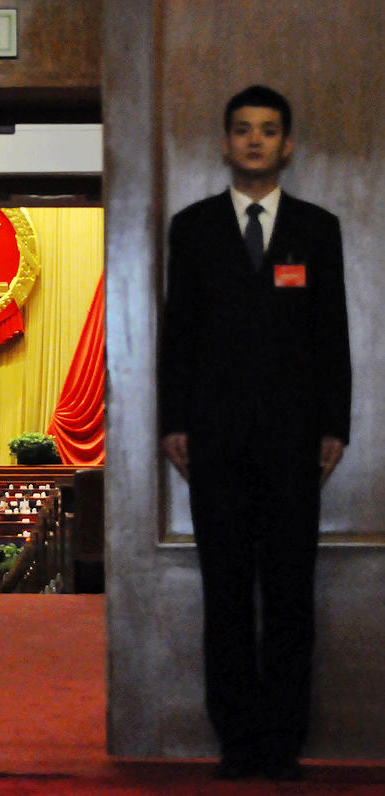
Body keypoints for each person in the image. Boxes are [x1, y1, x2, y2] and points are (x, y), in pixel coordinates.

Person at [158, 85, 351, 782]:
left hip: (297, 442)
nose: (255, 141)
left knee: (292, 592)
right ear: (225, 142)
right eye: (242, 130)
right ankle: (237, 740)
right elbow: (178, 332)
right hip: (214, 441)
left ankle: (283, 741)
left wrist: (336, 425)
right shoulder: (195, 227)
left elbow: (333, 336)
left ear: (287, 145)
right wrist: (173, 421)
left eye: (268, 131)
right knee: (228, 592)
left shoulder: (317, 228)